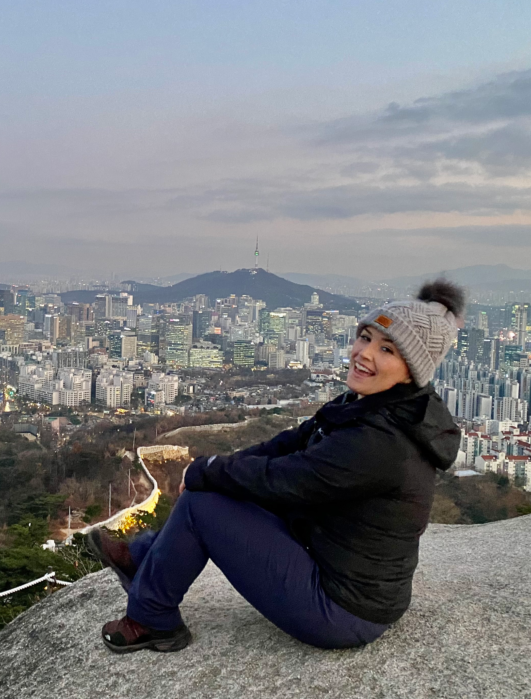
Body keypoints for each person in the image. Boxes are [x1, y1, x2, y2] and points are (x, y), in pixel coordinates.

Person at [86, 280, 465, 653]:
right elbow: (290, 443)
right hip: (327, 559)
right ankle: (145, 560)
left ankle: (152, 618)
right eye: (365, 337)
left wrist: (206, 472)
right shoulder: (377, 406)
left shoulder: (382, 441)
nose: (364, 353)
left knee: (204, 504)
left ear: (413, 369)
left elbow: (289, 479)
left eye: (387, 350)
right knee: (218, 486)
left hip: (343, 609)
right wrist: (215, 466)